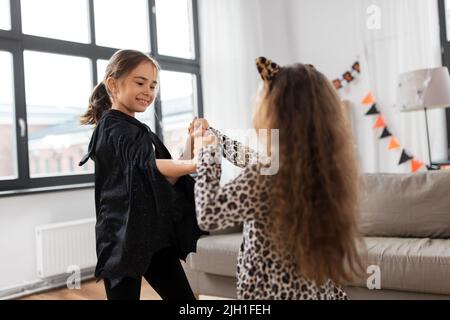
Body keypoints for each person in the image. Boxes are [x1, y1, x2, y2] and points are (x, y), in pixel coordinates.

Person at [193, 57, 364, 300]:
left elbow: (209, 213)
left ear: (277, 111)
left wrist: (207, 153)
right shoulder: (323, 167)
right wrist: (216, 138)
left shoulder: (268, 175)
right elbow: (253, 159)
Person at [79, 49, 207, 300]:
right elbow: (148, 165)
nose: (148, 91)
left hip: (152, 236)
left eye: (153, 85)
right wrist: (194, 164)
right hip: (122, 241)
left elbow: (166, 175)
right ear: (113, 84)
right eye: (140, 82)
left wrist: (192, 140)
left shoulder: (139, 130)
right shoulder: (112, 127)